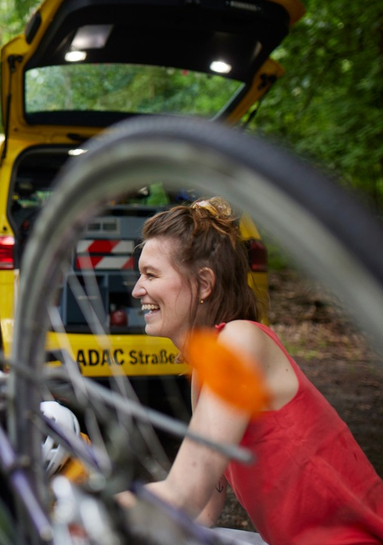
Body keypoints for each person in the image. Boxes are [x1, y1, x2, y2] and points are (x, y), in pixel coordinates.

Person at [129, 197, 383, 545]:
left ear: (204, 284)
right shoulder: (207, 369)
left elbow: (183, 493)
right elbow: (202, 510)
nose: (136, 289)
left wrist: (77, 503)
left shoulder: (240, 340)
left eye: (150, 274)